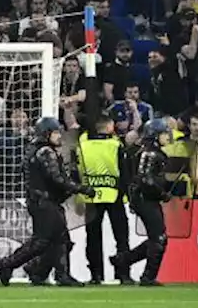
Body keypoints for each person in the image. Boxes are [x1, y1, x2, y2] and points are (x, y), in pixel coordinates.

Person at [0, 116, 92, 285]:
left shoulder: (35, 149)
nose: (59, 136)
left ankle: (44, 272)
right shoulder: (45, 151)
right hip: (44, 202)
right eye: (56, 132)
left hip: (42, 201)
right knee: (42, 241)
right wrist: (81, 188)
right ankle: (8, 264)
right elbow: (57, 179)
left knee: (59, 240)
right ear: (46, 134)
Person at [110, 118, 172, 286]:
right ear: (155, 135)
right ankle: (147, 276)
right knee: (159, 238)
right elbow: (146, 179)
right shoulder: (151, 154)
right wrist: (162, 193)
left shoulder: (145, 151)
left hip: (143, 199)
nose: (168, 136)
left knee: (156, 238)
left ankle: (123, 260)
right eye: (164, 134)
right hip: (146, 200)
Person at [76, 111, 131, 284]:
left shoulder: (83, 145)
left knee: (93, 237)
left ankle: (96, 275)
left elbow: (77, 170)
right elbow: (125, 172)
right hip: (113, 195)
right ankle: (123, 274)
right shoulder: (116, 145)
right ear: (109, 127)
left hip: (91, 196)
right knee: (121, 237)